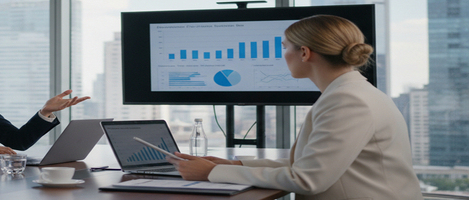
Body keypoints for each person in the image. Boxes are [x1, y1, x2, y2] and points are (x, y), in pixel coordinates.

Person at [166, 15, 422, 199]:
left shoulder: (348, 101)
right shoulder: (351, 92)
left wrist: (213, 173)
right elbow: (306, 165)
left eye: (285, 47)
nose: (282, 55)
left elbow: (307, 180)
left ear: (304, 53)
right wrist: (234, 166)